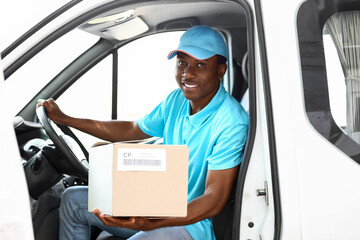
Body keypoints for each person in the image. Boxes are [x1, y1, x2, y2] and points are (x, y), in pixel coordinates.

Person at [38, 25, 249, 240]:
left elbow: (214, 199)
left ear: (220, 71)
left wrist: (153, 222)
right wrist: (67, 120)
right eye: (182, 63)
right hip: (158, 206)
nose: (188, 73)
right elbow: (131, 129)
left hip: (194, 226)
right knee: (73, 200)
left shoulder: (231, 122)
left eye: (201, 65)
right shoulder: (176, 100)